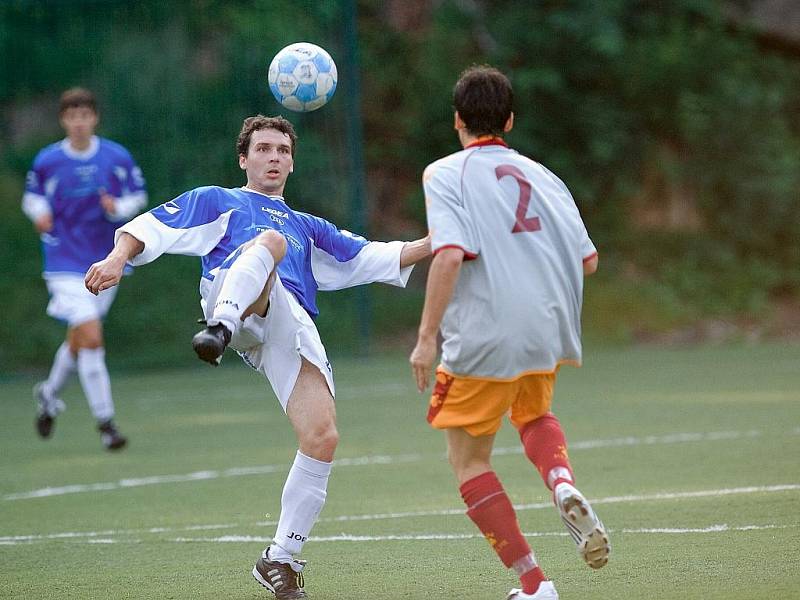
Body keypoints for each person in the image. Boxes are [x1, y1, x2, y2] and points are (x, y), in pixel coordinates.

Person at [85, 114, 431, 599]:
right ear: (243, 158)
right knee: (267, 243)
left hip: (284, 321)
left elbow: (376, 255)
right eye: (264, 148)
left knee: (322, 436)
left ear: (292, 162)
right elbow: (149, 226)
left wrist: (442, 239)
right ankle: (220, 326)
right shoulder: (218, 200)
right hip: (228, 298)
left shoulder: (306, 226)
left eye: (283, 150)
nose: (274, 157)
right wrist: (117, 258)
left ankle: (280, 559)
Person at [409, 66, 609, 600]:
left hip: (484, 337)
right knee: (535, 414)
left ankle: (534, 583)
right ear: (511, 119)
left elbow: (449, 253)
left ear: (457, 120)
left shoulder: (445, 173)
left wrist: (427, 336)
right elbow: (587, 261)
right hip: (546, 327)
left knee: (469, 461)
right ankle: (561, 481)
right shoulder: (546, 177)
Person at [23, 87, 147, 451]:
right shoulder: (47, 160)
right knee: (91, 335)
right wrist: (39, 214)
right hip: (62, 261)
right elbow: (33, 197)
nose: (78, 122)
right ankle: (106, 423)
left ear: (94, 118)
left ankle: (47, 395)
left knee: (80, 340)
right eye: (71, 116)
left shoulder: (116, 156)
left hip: (106, 260)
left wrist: (116, 208)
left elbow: (137, 197)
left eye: (85, 115)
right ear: (64, 120)